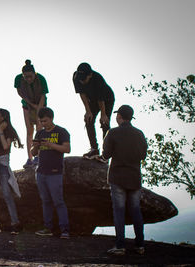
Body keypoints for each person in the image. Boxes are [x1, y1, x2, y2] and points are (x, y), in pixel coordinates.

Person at [99, 105, 148, 255]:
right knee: (136, 211)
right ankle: (140, 245)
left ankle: (120, 246)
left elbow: (106, 155)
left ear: (119, 116)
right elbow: (143, 155)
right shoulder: (139, 134)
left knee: (119, 211)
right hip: (134, 177)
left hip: (117, 177)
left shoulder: (112, 132)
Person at [31, 107, 71, 239]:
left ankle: (64, 230)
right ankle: (47, 228)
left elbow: (67, 149)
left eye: (45, 121)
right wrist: (36, 146)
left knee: (58, 201)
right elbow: (33, 153)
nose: (43, 124)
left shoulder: (61, 132)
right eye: (41, 121)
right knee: (45, 201)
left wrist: (50, 145)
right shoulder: (40, 133)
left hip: (55, 172)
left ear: (51, 118)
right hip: (41, 171)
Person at [73, 62, 115, 160]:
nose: (82, 82)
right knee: (88, 120)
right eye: (80, 79)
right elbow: (82, 93)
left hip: (107, 100)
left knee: (104, 123)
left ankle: (106, 152)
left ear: (90, 75)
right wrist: (88, 111)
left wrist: (103, 114)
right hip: (92, 100)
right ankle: (94, 149)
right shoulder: (76, 77)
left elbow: (101, 100)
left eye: (84, 79)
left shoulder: (98, 79)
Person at [14, 59, 49, 168]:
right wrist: (30, 104)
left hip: (41, 105)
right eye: (26, 77)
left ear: (34, 73)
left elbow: (43, 96)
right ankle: (30, 158)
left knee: (39, 129)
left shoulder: (41, 79)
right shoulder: (18, 78)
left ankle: (38, 156)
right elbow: (19, 92)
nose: (28, 79)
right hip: (27, 105)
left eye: (30, 76)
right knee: (29, 130)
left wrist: (39, 111)